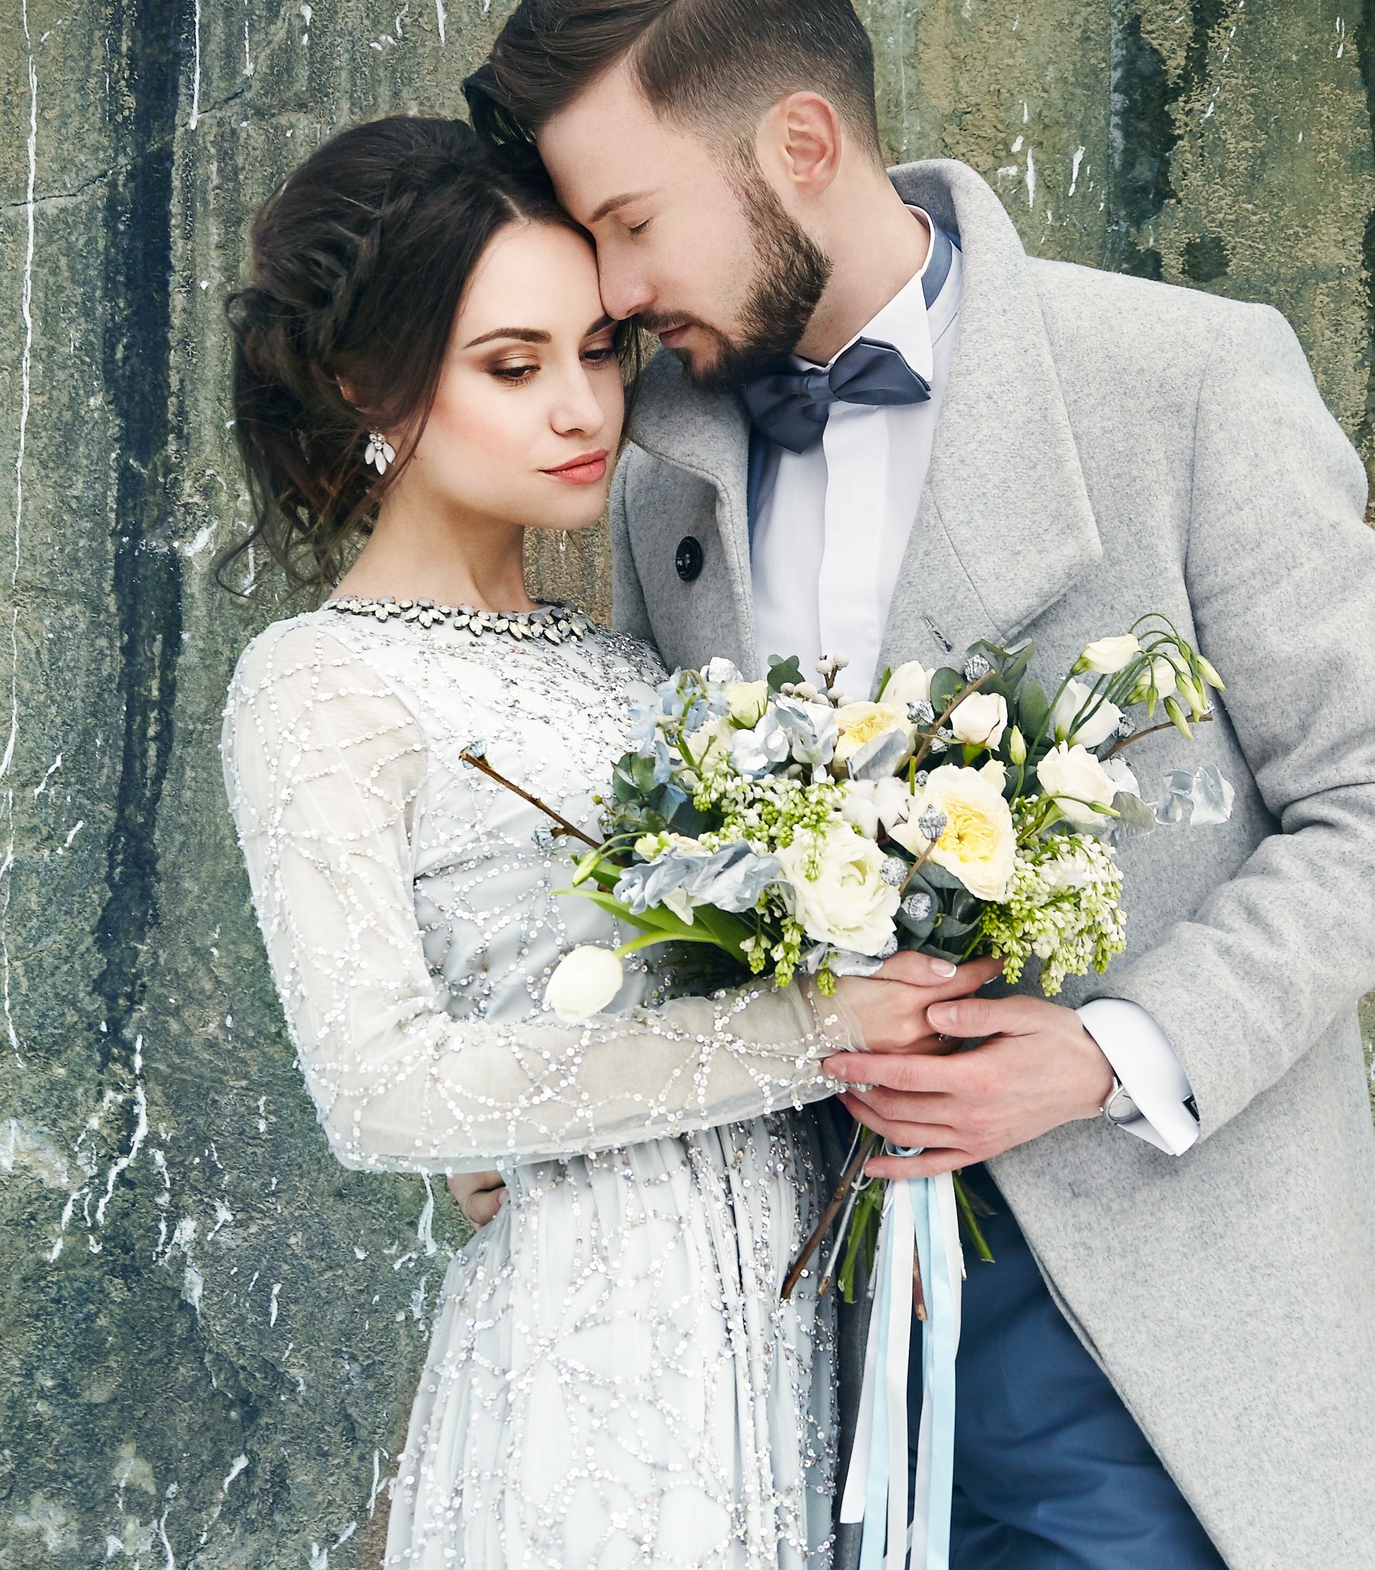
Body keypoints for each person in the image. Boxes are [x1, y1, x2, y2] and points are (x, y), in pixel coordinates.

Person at [465, 0, 1375, 1570]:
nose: (617, 291)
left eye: (633, 223)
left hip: (1161, 1329)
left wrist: (1112, 1051)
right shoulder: (661, 481)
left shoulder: (1183, 379)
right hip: (808, 1342)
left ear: (802, 146)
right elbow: (656, 882)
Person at [217, 115, 1000, 1570]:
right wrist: (808, 1033)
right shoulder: (319, 684)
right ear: (369, 388)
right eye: (512, 367)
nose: (583, 407)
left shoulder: (624, 657)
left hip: (772, 1342)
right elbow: (380, 1091)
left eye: (596, 351)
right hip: (588, 1348)